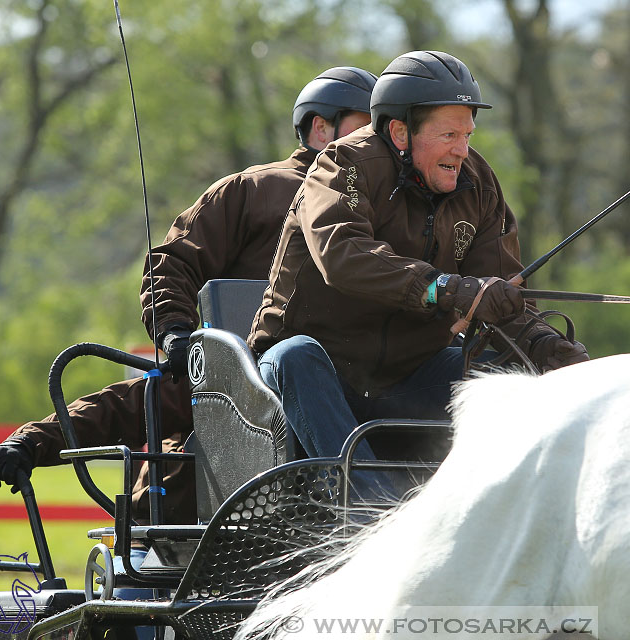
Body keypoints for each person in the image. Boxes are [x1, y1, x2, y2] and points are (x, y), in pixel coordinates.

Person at [0, 67, 378, 525]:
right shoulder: (254, 192)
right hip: (244, 383)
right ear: (320, 126)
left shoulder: (387, 206)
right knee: (168, 410)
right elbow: (172, 264)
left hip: (351, 380)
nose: (377, 140)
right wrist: (174, 333)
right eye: (364, 124)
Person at [248, 51, 589, 478]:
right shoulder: (344, 165)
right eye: (449, 135)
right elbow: (343, 255)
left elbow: (498, 290)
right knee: (296, 355)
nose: (462, 150)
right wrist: (443, 288)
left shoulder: (478, 184)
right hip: (304, 379)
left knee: (514, 372)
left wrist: (546, 348)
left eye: (467, 134)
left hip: (405, 377)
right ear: (400, 132)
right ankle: (368, 516)